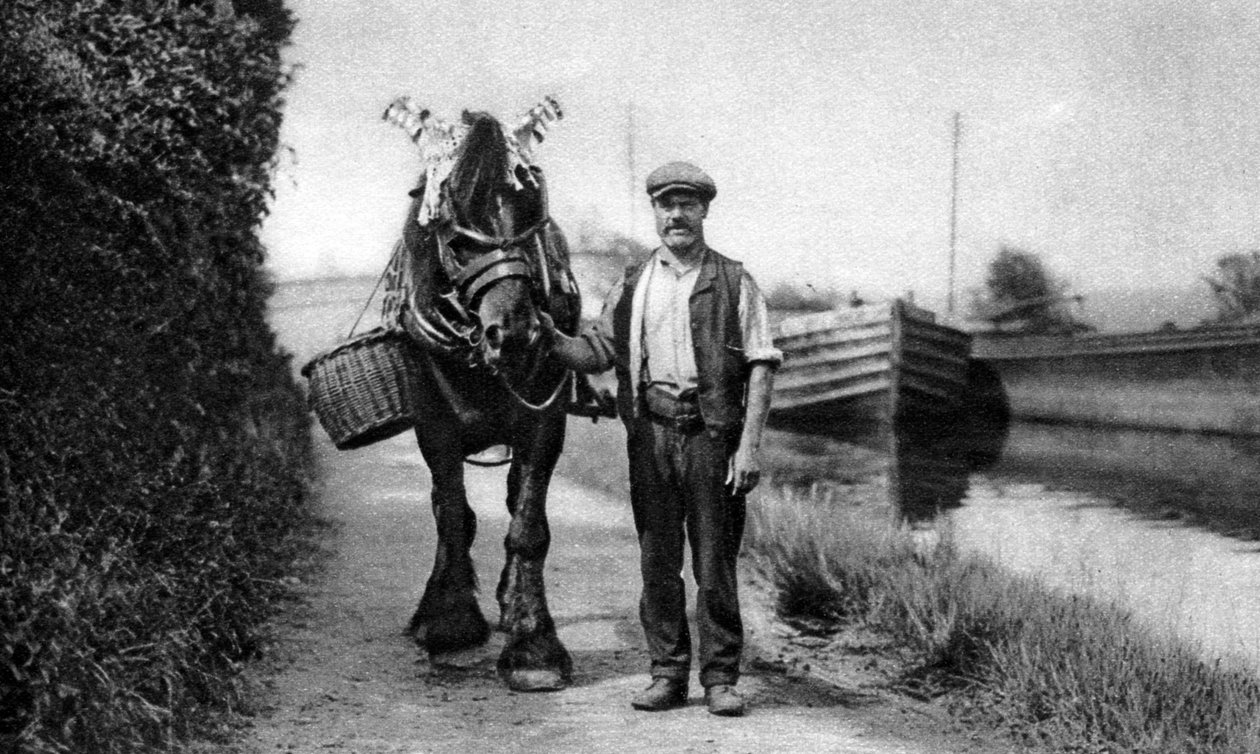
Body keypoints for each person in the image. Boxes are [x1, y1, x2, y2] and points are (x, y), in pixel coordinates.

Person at [543, 161, 780, 716]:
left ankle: (720, 679)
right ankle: (667, 674)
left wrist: (749, 446)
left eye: (687, 204)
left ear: (704, 211)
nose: (676, 214)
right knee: (657, 562)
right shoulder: (634, 281)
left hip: (711, 436)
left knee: (714, 564)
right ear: (654, 212)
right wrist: (546, 336)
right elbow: (597, 351)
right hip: (649, 434)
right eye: (665, 205)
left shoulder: (734, 280)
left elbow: (763, 366)